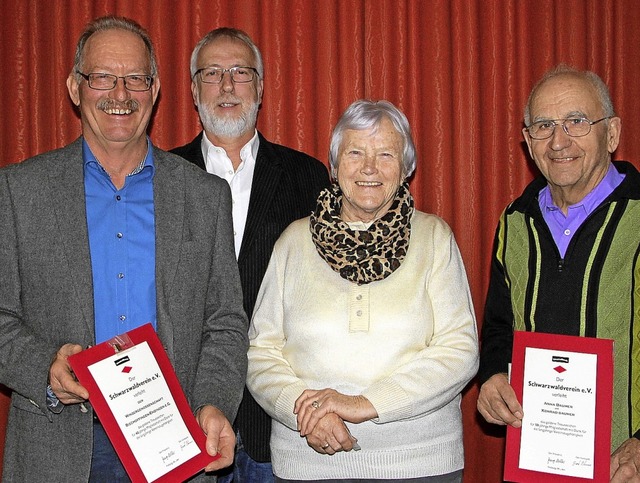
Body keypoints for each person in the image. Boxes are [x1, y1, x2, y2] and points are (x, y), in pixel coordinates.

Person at [0, 16, 249, 482]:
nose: (120, 94)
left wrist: (214, 403)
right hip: (59, 451)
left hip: (175, 445)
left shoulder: (204, 196)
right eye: (102, 78)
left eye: (135, 78)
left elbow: (225, 324)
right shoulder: (18, 191)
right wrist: (46, 367)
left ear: (154, 91)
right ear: (75, 87)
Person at [246, 99, 479, 482]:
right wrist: (303, 413)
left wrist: (363, 404)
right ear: (335, 168)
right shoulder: (293, 242)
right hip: (307, 463)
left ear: (406, 169)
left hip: (420, 463)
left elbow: (460, 351)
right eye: (355, 152)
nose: (369, 167)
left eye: (386, 154)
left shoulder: (434, 238)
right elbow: (261, 352)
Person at [171, 27, 330, 481]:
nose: (226, 86)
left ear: (260, 89)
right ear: (193, 90)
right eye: (212, 73)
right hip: (186, 417)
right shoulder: (160, 177)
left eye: (240, 73)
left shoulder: (308, 177)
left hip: (280, 425)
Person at [477, 64, 640, 481]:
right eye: (544, 125)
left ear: (613, 133)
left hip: (625, 463)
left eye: (577, 121)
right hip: (537, 459)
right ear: (528, 141)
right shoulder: (514, 222)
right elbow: (499, 327)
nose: (559, 140)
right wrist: (493, 375)